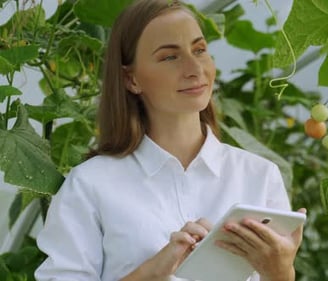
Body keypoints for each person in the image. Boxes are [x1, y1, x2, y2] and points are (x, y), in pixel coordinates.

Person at [34, 0, 306, 280]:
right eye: (169, 57)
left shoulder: (260, 176)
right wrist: (153, 271)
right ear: (131, 79)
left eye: (200, 50)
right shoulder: (90, 184)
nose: (195, 68)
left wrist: (280, 271)